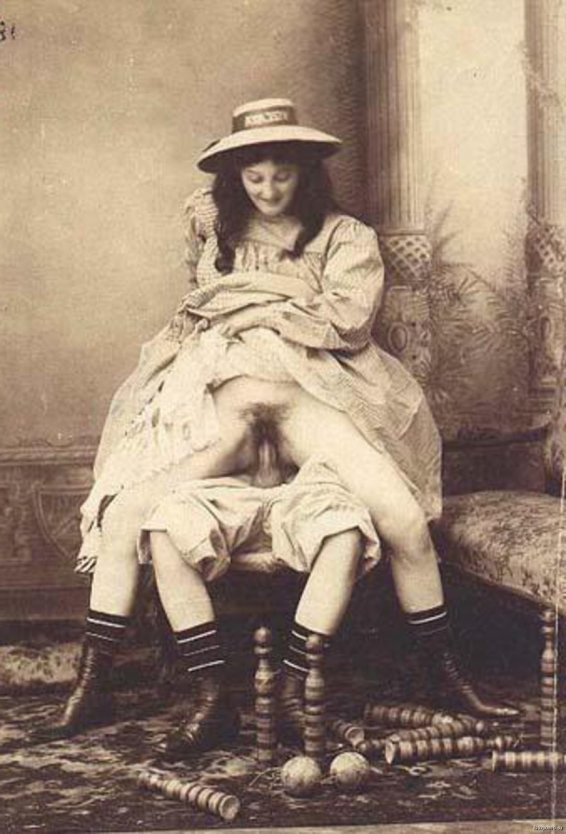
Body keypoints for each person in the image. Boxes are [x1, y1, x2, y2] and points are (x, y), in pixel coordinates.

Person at [41, 97, 517, 744]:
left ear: (306, 173)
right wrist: (282, 295)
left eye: (282, 175)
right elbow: (205, 304)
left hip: (307, 406)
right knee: (124, 514)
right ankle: (91, 687)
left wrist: (252, 305)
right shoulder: (219, 233)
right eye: (254, 177)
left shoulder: (345, 237)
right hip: (227, 413)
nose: (267, 190)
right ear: (236, 177)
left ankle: (444, 675)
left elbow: (347, 321)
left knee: (404, 519)